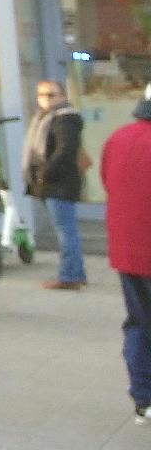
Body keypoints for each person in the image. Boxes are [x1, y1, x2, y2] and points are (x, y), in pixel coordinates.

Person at [102, 85, 151, 423]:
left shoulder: (117, 138)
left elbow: (109, 182)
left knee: (139, 323)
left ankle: (144, 400)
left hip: (128, 254)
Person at [26, 78, 89, 290]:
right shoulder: (43, 118)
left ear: (62, 97)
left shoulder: (65, 119)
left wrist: (45, 173)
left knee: (66, 231)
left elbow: (65, 151)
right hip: (51, 183)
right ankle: (75, 273)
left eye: (51, 95)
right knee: (66, 230)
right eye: (41, 95)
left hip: (59, 183)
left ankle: (69, 276)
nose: (45, 99)